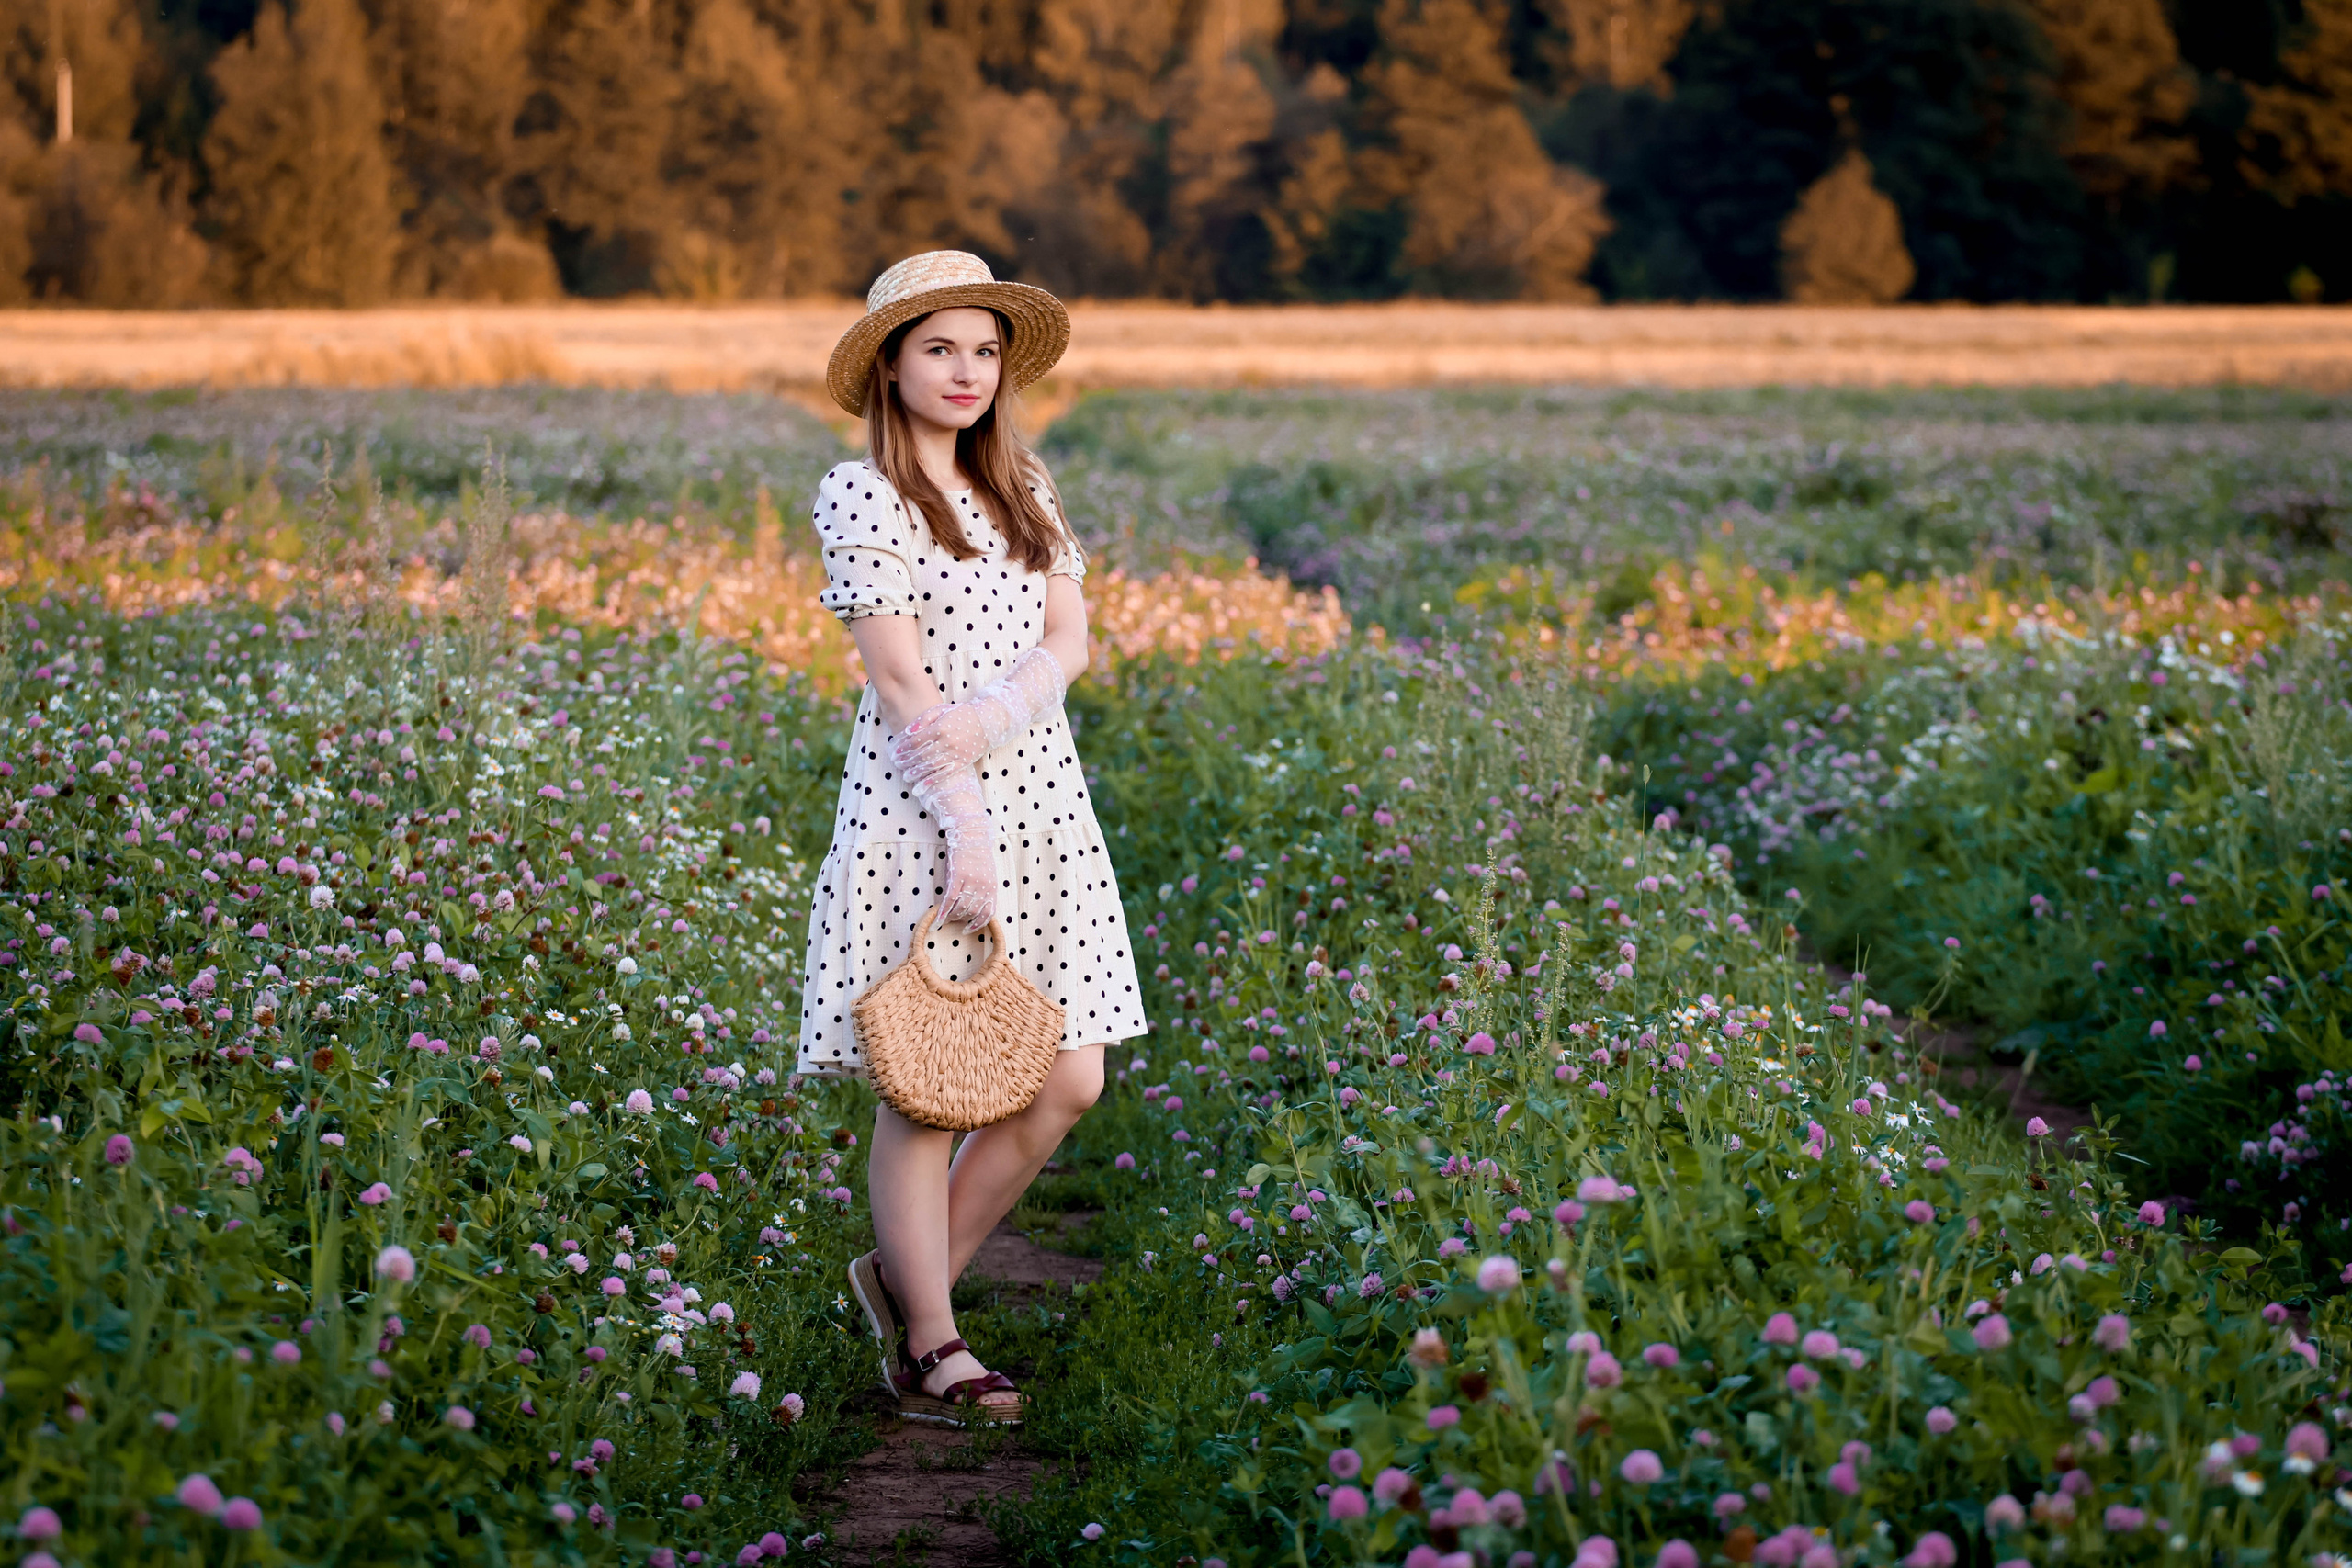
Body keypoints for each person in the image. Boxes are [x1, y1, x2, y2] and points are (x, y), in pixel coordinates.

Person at [797, 251, 1148, 1424]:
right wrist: (967, 838)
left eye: (984, 350)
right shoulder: (865, 497)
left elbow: (1072, 641)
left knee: (1067, 1081)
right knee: (930, 1088)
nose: (965, 371)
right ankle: (936, 1343)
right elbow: (901, 689)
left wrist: (999, 716)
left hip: (1046, 801)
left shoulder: (1024, 488)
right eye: (938, 347)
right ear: (890, 365)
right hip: (923, 816)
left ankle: (904, 1290)